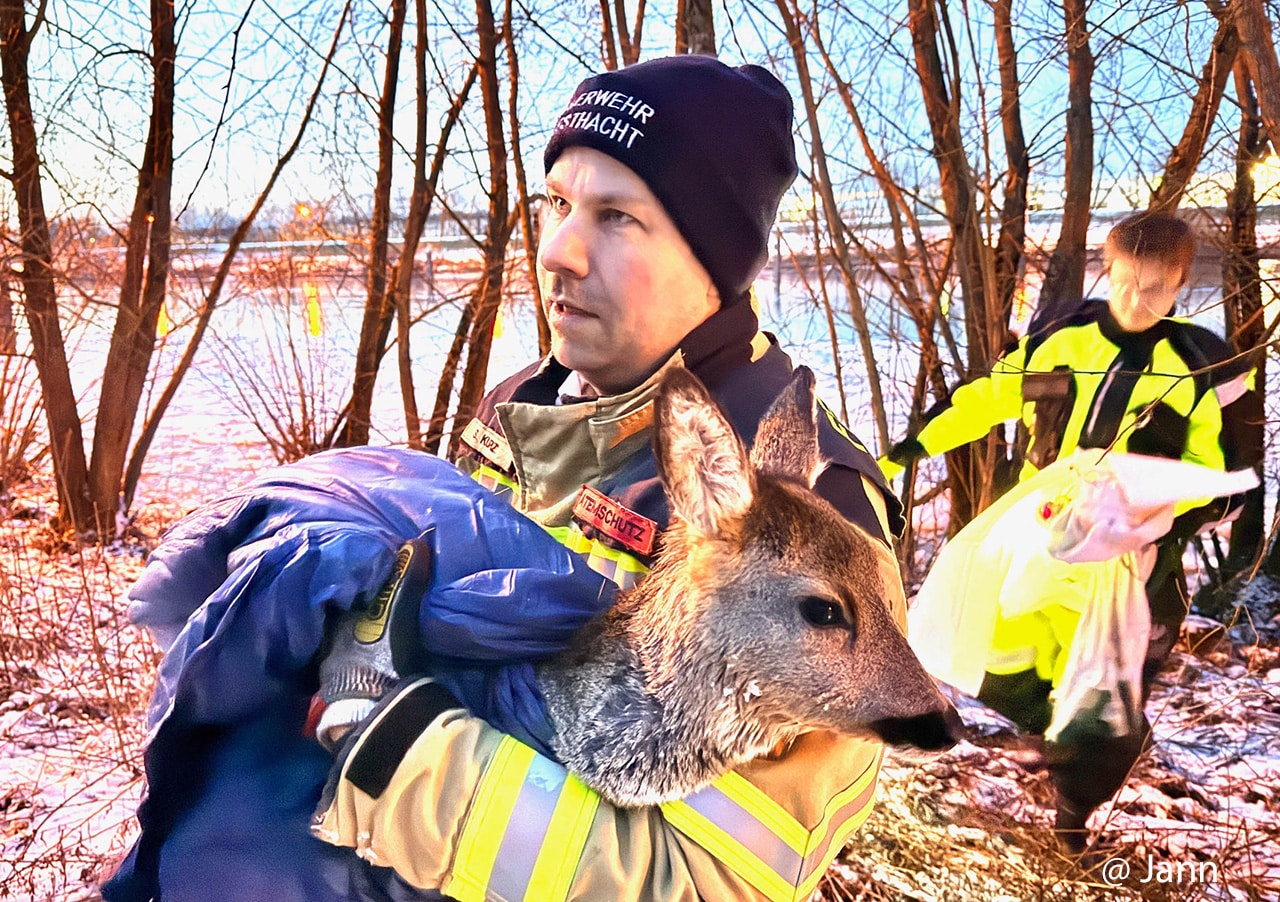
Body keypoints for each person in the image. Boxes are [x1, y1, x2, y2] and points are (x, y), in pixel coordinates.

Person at [105, 55, 911, 901]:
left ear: (716, 259)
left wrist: (391, 743)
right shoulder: (525, 404)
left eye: (617, 216)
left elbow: (704, 884)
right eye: (558, 204)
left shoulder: (815, 515)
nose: (558, 251)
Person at [880, 211, 1262, 853]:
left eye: (1154, 289)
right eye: (1124, 282)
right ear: (1105, 271)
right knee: (1005, 636)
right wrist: (907, 448)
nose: (1136, 302)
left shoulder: (1201, 366)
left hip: (1137, 552)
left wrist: (1163, 517)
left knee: (1109, 685)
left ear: (1179, 288)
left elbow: (1224, 473)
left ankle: (1076, 814)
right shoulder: (1065, 338)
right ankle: (1046, 749)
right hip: (1044, 531)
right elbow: (986, 400)